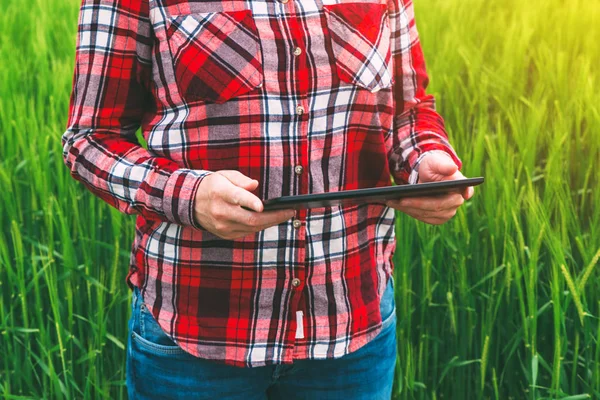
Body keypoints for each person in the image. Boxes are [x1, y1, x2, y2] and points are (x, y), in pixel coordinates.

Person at [62, 0, 474, 398]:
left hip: (352, 325)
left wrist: (424, 158)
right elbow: (90, 140)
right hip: (196, 334)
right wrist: (189, 195)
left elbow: (408, 108)